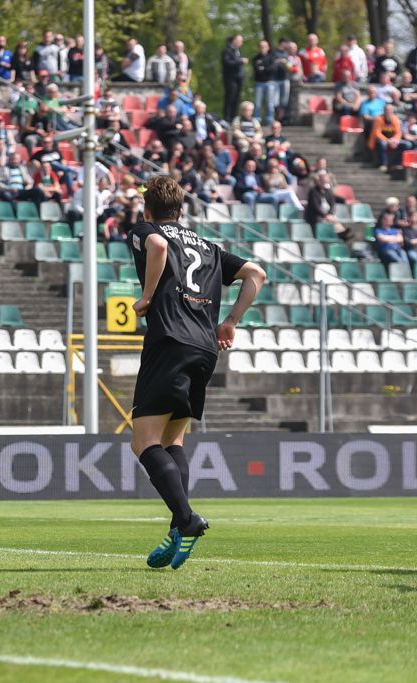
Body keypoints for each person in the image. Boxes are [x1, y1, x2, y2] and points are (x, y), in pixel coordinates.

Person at [127, 175, 266, 571]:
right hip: (205, 347)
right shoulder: (208, 247)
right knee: (173, 440)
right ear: (181, 210)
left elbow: (157, 246)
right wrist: (231, 322)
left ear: (148, 209)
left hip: (169, 341)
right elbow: (256, 273)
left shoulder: (145, 230)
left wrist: (147, 296)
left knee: (143, 441)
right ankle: (178, 527)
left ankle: (186, 520)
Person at [222, 35, 248, 123]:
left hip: (238, 78)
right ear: (234, 40)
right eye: (240, 41)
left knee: (237, 98)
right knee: (230, 97)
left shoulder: (238, 51)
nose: (241, 43)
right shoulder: (227, 51)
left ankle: (234, 118)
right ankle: (227, 118)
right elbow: (227, 62)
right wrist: (240, 61)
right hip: (230, 78)